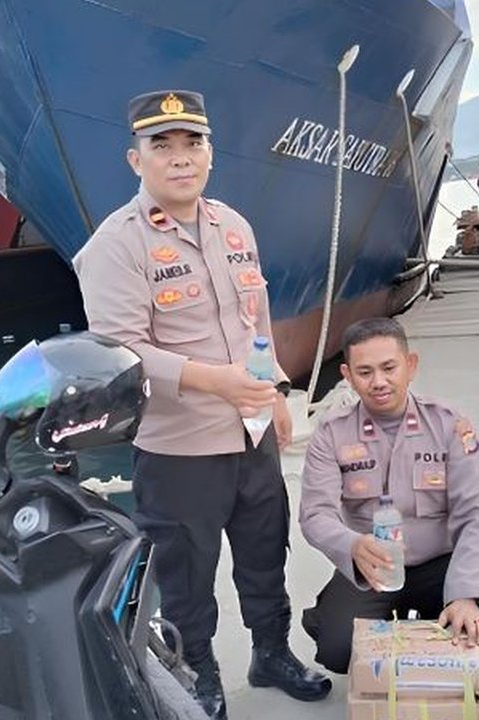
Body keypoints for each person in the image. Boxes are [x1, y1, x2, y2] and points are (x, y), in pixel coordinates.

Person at [72, 89, 331, 719]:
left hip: (251, 433)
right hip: (178, 447)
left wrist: (273, 394)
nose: (181, 158)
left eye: (194, 143)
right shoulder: (116, 245)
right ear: (136, 160)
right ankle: (199, 676)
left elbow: (257, 320)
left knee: (266, 554)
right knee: (186, 577)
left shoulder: (232, 224)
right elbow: (121, 353)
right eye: (162, 146)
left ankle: (272, 653)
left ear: (210, 154)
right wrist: (215, 382)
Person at [298, 317, 479, 673]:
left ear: (410, 365)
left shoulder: (449, 424)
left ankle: (433, 618)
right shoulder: (331, 433)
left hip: (441, 564)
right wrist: (352, 545)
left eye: (389, 367)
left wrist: (464, 594)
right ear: (347, 375)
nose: (379, 382)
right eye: (365, 372)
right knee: (338, 647)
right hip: (373, 568)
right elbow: (315, 515)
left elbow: (475, 513)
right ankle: (409, 630)